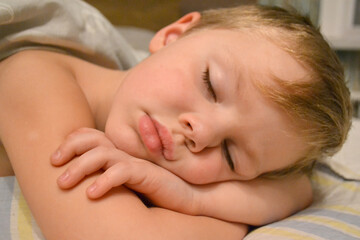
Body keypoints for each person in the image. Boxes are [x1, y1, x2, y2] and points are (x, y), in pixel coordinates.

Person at [0, 1, 351, 240]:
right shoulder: (32, 78)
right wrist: (233, 224)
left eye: (230, 154)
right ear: (174, 35)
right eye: (211, 85)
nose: (203, 132)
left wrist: (190, 197)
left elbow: (301, 189)